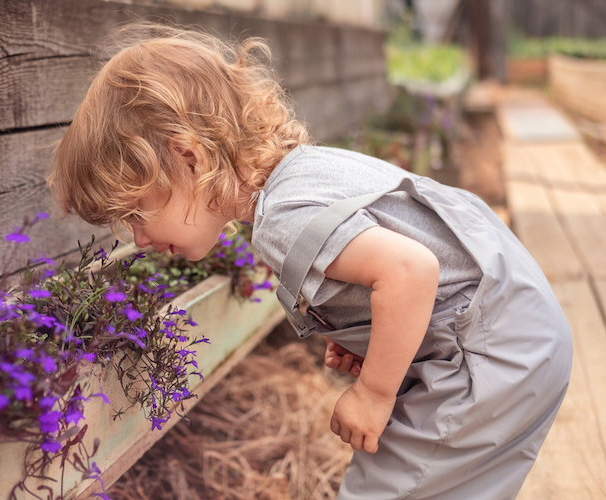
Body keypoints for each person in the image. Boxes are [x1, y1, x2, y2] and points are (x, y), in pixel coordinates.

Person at [48, 22, 572, 500]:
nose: (137, 239)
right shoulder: (304, 172)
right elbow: (413, 257)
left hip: (488, 355)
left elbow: (412, 271)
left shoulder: (281, 220)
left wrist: (373, 392)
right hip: (517, 325)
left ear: (189, 158)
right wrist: (365, 329)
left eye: (137, 213)